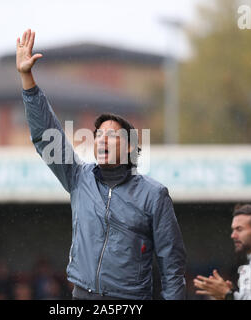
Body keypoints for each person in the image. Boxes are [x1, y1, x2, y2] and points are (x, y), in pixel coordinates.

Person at [16, 29, 186, 300]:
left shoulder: (154, 195)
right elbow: (44, 136)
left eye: (112, 135)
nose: (102, 140)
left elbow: (171, 265)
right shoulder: (78, 177)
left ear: (129, 146)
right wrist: (27, 78)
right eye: (98, 135)